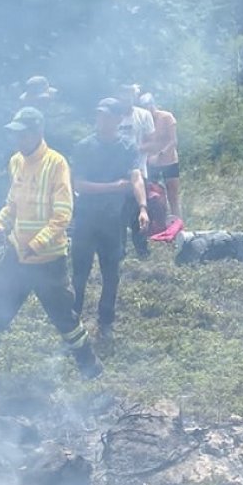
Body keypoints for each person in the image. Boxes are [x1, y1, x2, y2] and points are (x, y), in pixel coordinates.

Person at [0, 106, 102, 384]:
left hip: (48, 261)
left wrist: (38, 243)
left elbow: (63, 214)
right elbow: (12, 204)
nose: (18, 140)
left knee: (65, 320)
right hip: (16, 256)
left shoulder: (56, 164)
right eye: (15, 134)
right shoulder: (16, 161)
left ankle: (91, 370)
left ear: (38, 132)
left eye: (23, 134)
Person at [71, 98, 150, 341]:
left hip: (114, 221)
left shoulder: (128, 148)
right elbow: (79, 185)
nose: (101, 120)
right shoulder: (84, 146)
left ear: (118, 119)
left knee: (111, 275)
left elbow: (136, 178)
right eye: (99, 115)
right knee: (79, 274)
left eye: (107, 116)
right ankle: (72, 323)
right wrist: (113, 187)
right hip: (85, 219)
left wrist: (143, 207)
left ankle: (105, 323)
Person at [117, 84, 156, 258]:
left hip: (139, 172)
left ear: (133, 97)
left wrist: (134, 149)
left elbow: (152, 143)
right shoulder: (112, 116)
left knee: (138, 215)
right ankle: (119, 253)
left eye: (129, 96)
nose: (125, 100)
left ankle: (142, 252)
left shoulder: (144, 115)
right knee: (118, 215)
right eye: (122, 96)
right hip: (116, 175)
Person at [139, 93, 182, 219]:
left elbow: (173, 141)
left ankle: (178, 223)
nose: (148, 111)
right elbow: (143, 141)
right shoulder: (143, 121)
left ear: (153, 105)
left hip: (169, 161)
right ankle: (158, 222)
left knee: (173, 195)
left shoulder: (166, 117)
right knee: (153, 195)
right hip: (151, 163)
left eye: (149, 107)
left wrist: (160, 154)